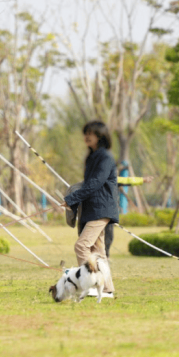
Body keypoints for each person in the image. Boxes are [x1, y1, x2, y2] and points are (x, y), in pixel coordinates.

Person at [63, 121, 119, 297]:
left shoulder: (105, 158)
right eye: (85, 133)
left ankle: (91, 285)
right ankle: (107, 289)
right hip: (91, 208)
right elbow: (87, 184)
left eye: (91, 133)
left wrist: (72, 199)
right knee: (98, 251)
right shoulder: (91, 157)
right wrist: (72, 200)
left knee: (81, 246)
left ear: (100, 136)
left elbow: (95, 184)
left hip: (102, 209)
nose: (87, 136)